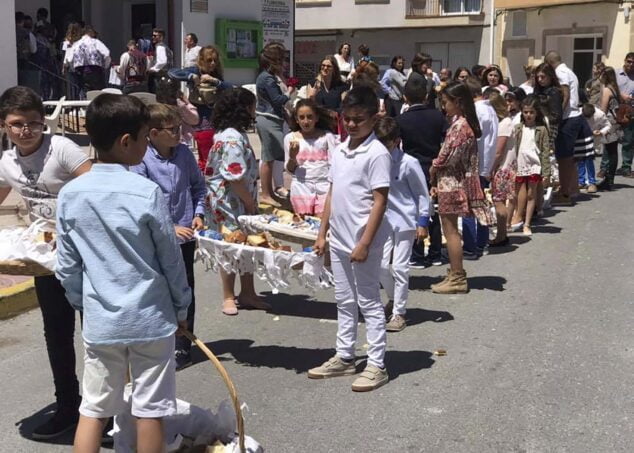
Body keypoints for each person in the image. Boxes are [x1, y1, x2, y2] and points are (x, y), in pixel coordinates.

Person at [56, 93, 190, 453]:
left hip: (101, 321)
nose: (148, 145)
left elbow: (67, 264)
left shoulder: (70, 195)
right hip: (150, 318)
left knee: (94, 408)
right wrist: (181, 307)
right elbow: (170, 259)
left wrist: (81, 301)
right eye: (146, 137)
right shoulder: (146, 193)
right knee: (151, 408)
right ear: (126, 141)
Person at [0, 86, 92, 439]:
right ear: (6, 126)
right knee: (57, 334)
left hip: (86, 257)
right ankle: (68, 406)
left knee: (97, 337)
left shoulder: (62, 149)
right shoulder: (7, 161)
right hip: (46, 260)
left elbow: (95, 186)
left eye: (34, 124)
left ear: (44, 124)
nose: (26, 131)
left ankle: (108, 413)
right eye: (17, 124)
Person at [309, 86, 390, 392]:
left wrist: (366, 242)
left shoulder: (377, 153)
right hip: (339, 239)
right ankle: (345, 356)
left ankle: (377, 363)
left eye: (359, 119)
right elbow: (332, 192)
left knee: (368, 301)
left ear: (373, 118)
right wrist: (322, 233)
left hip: (362, 241)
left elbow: (380, 200)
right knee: (344, 300)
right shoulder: (340, 148)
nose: (353, 124)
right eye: (348, 119)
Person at [130, 104, 206, 370]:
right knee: (155, 290)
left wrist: (198, 213)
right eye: (172, 130)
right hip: (155, 238)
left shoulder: (184, 154)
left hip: (185, 237)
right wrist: (168, 226)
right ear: (153, 133)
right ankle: (156, 344)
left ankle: (183, 345)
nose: (178, 134)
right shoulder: (141, 160)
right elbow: (140, 199)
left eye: (179, 128)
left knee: (185, 291)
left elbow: (198, 187)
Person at [207, 88, 271, 315]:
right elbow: (234, 177)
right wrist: (250, 204)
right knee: (230, 246)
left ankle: (248, 292)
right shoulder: (232, 138)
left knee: (248, 245)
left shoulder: (231, 133)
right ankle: (228, 295)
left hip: (240, 198)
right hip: (231, 201)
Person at [430, 82, 490, 294]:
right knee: (451, 229)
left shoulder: (461, 126)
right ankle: (455, 273)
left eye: (446, 102)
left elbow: (449, 156)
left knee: (451, 231)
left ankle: (457, 278)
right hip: (451, 182)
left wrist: (434, 166)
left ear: (458, 102)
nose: (443, 106)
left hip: (452, 183)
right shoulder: (462, 124)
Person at [375, 117, 430, 332]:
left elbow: (421, 194)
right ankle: (392, 298)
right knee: (379, 265)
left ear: (396, 141)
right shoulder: (375, 161)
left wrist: (422, 221)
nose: (382, 147)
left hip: (406, 220)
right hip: (382, 220)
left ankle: (399, 313)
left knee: (399, 267)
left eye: (386, 142)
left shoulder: (409, 163)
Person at [396, 76, 448, 268]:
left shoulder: (401, 119)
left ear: (405, 98)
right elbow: (446, 140)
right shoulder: (437, 116)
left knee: (415, 209)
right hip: (434, 166)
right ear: (427, 96)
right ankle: (435, 252)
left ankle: (417, 254)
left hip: (411, 167)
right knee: (433, 209)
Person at [169, 45, 232, 172]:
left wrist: (215, 81)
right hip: (199, 117)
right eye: (209, 60)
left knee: (213, 150)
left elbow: (230, 88)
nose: (213, 63)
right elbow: (172, 73)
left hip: (214, 116)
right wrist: (191, 77)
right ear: (202, 60)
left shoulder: (216, 74)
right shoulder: (195, 70)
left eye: (215, 60)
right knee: (205, 149)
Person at [545, 51, 593, 205]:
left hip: (568, 118)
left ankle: (565, 193)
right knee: (569, 157)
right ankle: (572, 189)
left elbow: (564, 95)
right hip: (573, 116)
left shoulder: (560, 73)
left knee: (563, 158)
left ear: (549, 62)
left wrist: (557, 115)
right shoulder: (570, 72)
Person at [462, 76, 497, 260]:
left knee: (468, 208)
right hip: (486, 164)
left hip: (474, 165)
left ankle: (470, 246)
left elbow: (471, 137)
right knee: (481, 205)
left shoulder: (477, 111)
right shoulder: (490, 109)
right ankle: (481, 243)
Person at [255, 43, 294, 207]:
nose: (284, 63)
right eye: (281, 59)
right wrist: (290, 92)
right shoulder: (267, 78)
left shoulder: (267, 76)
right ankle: (265, 193)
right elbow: (277, 100)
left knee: (270, 157)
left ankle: (268, 192)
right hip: (268, 119)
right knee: (268, 158)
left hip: (271, 118)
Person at [284, 99, 336, 217]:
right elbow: (290, 170)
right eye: (301, 117)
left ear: (317, 118)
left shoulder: (327, 136)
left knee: (322, 221)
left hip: (324, 185)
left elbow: (334, 164)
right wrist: (293, 157)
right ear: (296, 119)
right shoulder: (290, 138)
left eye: (310, 117)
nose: (306, 121)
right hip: (301, 186)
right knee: (303, 223)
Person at [513, 96, 551, 236]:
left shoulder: (541, 130)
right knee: (519, 193)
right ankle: (519, 218)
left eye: (531, 112)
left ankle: (527, 223)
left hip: (535, 164)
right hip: (520, 164)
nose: (528, 115)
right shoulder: (518, 128)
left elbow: (545, 152)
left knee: (531, 193)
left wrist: (546, 172)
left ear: (537, 113)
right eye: (525, 112)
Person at [488, 90, 518, 247]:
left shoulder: (504, 124)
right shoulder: (504, 123)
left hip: (503, 168)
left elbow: (499, 151)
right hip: (506, 167)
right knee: (499, 200)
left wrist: (489, 168)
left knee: (499, 201)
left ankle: (502, 233)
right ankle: (502, 232)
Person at [596, 68, 624, 191]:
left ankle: (609, 180)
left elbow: (603, 108)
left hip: (609, 123)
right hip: (616, 123)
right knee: (613, 151)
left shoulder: (607, 90)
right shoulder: (615, 89)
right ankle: (609, 178)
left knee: (610, 151)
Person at [583, 104, 615, 191]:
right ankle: (581, 181)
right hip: (581, 137)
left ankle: (591, 182)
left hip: (594, 138)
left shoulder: (600, 115)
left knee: (589, 159)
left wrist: (601, 132)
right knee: (580, 160)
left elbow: (608, 126)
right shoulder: (579, 112)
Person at [71, 25, 111, 93]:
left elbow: (70, 59)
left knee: (84, 93)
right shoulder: (95, 42)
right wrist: (105, 66)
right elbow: (106, 54)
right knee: (98, 93)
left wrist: (74, 69)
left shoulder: (76, 44)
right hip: (95, 71)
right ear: (89, 32)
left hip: (81, 72)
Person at [615, 52, 634, 178]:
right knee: (610, 140)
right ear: (625, 60)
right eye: (629, 61)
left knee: (628, 140)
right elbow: (609, 88)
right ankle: (605, 167)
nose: (631, 65)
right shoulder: (616, 74)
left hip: (629, 112)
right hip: (615, 110)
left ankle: (626, 167)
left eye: (633, 63)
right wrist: (621, 95)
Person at [15, 12, 38, 91]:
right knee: (24, 85)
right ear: (23, 21)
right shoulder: (28, 33)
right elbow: (33, 49)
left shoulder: (8, 31)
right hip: (24, 60)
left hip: (11, 60)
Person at [148, 28, 174, 93]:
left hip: (159, 77)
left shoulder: (160, 47)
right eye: (153, 35)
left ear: (161, 37)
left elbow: (162, 61)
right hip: (166, 76)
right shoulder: (165, 47)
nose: (152, 37)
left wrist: (152, 69)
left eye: (155, 36)